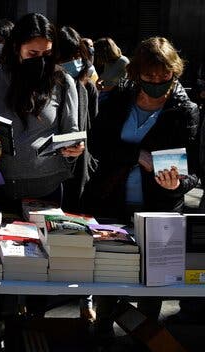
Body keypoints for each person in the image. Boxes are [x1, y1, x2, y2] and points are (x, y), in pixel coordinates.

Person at [86, 37, 199, 336]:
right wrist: (135, 154)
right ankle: (102, 330)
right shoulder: (119, 99)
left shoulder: (185, 110)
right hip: (112, 199)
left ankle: (146, 336)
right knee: (110, 273)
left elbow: (193, 169)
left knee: (154, 280)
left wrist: (177, 183)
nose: (158, 85)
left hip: (160, 207)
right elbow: (97, 144)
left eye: (166, 78)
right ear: (136, 75)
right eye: (150, 78)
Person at [0, 13, 83, 212]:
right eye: (33, 54)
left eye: (46, 54)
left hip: (47, 188)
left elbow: (71, 131)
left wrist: (74, 149)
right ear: (16, 47)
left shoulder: (63, 81)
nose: (40, 60)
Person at [57, 26, 99, 213]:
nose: (73, 63)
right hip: (48, 169)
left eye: (76, 57)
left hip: (78, 166)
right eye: (66, 58)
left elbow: (92, 129)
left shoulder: (87, 88)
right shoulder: (46, 87)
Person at [93, 37, 129, 102]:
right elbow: (107, 74)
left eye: (98, 53)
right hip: (105, 94)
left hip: (115, 98)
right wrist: (98, 81)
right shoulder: (109, 62)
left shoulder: (123, 62)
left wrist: (105, 90)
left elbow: (123, 84)